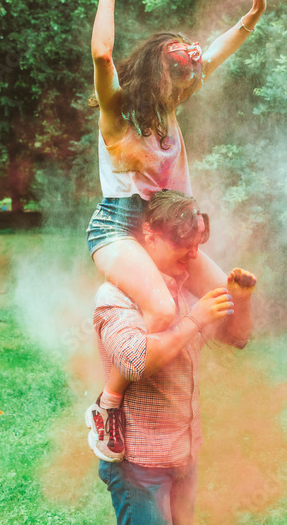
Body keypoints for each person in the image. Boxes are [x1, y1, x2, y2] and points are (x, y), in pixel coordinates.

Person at [82, 0, 268, 461]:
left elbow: (217, 53)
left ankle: (180, 388)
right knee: (163, 308)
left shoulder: (169, 108)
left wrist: (252, 15)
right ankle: (108, 403)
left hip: (167, 229)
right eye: (179, 66)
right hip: (118, 229)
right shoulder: (117, 112)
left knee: (228, 297)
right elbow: (102, 56)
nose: (191, 74)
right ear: (156, 70)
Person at [92, 190, 256, 524]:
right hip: (140, 464)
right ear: (149, 234)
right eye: (184, 242)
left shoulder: (182, 289)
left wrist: (243, 301)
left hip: (183, 455)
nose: (195, 253)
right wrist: (195, 319)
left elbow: (237, 339)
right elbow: (133, 362)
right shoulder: (115, 296)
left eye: (198, 242)